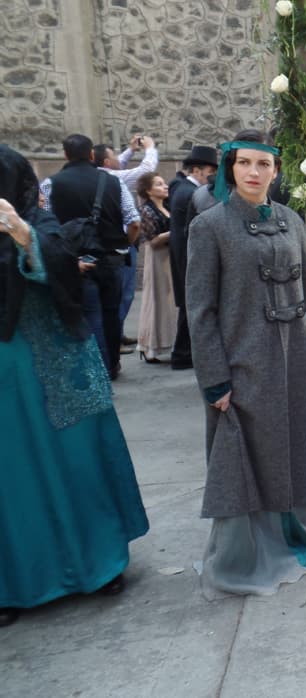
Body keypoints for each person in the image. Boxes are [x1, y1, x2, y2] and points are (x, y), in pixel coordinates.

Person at [185, 132, 306, 598]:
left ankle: (296, 528)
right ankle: (245, 554)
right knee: (246, 456)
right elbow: (200, 311)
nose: (254, 172)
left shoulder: (292, 221)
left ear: (276, 170)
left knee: (294, 443)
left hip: (296, 358)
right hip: (244, 361)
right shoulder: (209, 226)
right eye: (244, 163)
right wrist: (214, 379)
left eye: (263, 164)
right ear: (230, 169)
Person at [0, 145, 148, 628]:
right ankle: (14, 582)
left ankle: (100, 564)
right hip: (6, 379)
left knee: (78, 464)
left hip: (56, 364)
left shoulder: (36, 222)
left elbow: (63, 263)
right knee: (12, 479)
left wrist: (22, 237)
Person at [49, 133, 138, 380]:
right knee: (111, 312)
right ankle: (112, 365)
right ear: (91, 154)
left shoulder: (51, 184)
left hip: (74, 262)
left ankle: (94, 369)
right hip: (112, 258)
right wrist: (123, 245)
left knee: (88, 314)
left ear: (65, 155)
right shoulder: (113, 182)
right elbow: (134, 222)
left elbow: (47, 227)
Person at [96, 134, 160, 346]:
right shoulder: (112, 178)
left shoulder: (103, 175)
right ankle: (114, 338)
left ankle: (117, 333)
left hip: (102, 244)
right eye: (114, 156)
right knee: (123, 293)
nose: (119, 158)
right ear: (106, 162)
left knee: (115, 294)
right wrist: (150, 148)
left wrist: (131, 150)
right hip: (121, 244)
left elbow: (119, 165)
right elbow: (144, 172)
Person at [168, 146, 217, 370]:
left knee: (189, 307)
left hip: (182, 254)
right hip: (186, 256)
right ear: (197, 170)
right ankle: (182, 354)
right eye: (210, 172)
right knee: (192, 307)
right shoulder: (190, 192)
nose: (212, 177)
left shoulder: (183, 188)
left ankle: (183, 353)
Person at [134, 173, 176, 363]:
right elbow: (152, 241)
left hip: (169, 256)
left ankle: (168, 342)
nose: (165, 186)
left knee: (169, 301)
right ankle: (148, 346)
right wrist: (175, 231)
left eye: (164, 183)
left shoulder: (167, 206)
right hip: (157, 258)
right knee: (156, 299)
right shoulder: (146, 210)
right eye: (159, 184)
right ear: (148, 191)